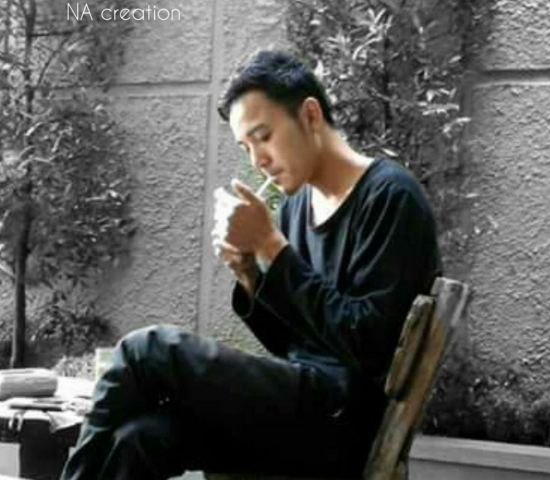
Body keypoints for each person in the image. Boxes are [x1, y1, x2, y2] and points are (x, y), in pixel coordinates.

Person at [60, 50, 441, 480]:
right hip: (305, 408)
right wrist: (249, 273)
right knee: (141, 438)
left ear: (310, 115)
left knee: (144, 350)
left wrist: (271, 245)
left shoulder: (390, 196)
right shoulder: (297, 206)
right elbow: (295, 343)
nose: (257, 159)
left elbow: (367, 346)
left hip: (343, 423)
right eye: (246, 146)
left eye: (263, 137)